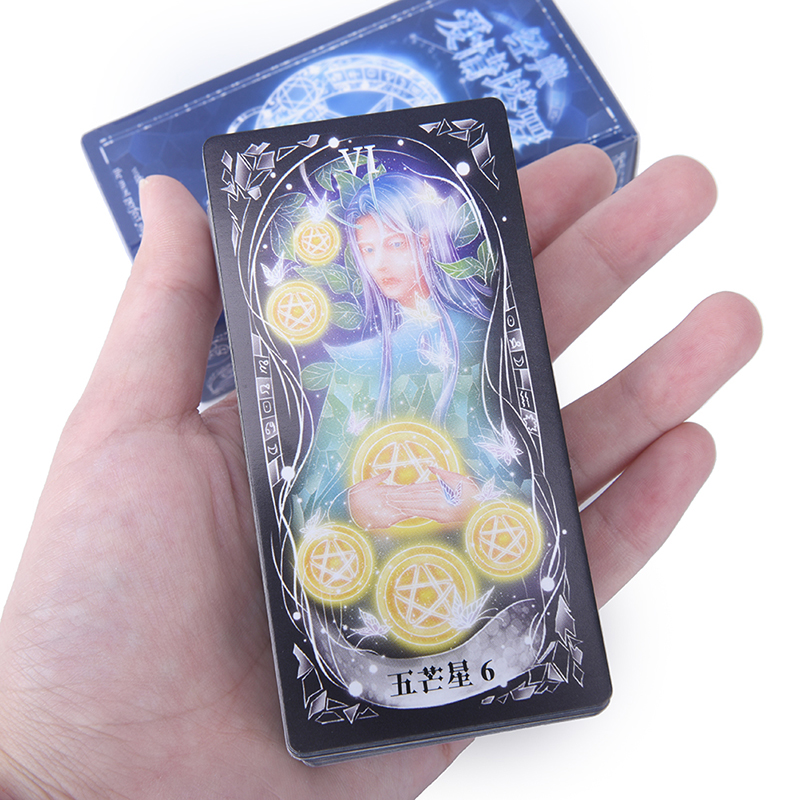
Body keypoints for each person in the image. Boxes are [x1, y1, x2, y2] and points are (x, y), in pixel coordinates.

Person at [0, 145, 761, 799]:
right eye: (368, 249)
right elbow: (319, 487)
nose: (383, 264)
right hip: (370, 605)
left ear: (427, 238)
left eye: (396, 242)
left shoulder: (485, 336)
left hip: (482, 585)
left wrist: (473, 499)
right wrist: (359, 501)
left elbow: (510, 457)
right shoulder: (359, 361)